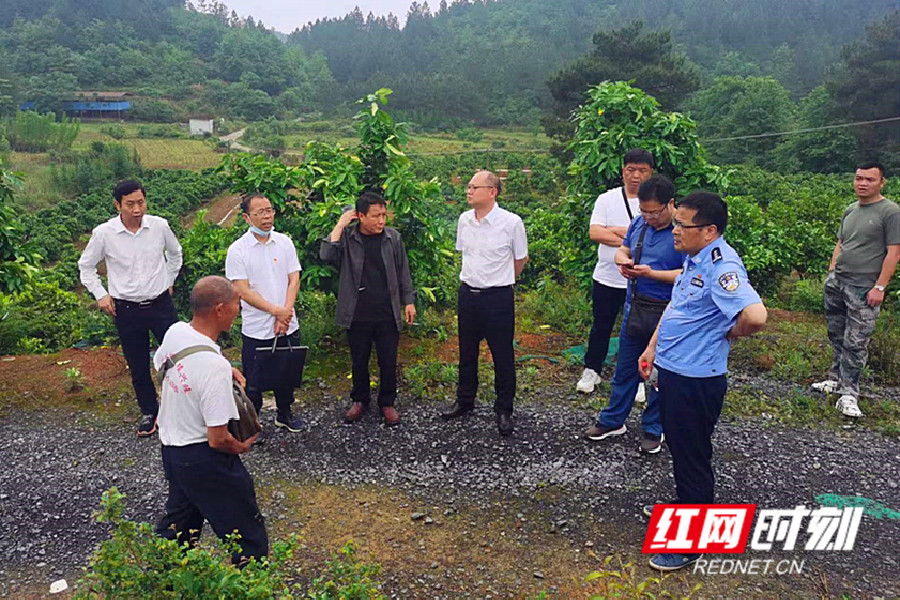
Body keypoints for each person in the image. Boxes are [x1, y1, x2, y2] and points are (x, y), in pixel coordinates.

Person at [637, 192, 767, 571]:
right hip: (674, 369)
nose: (674, 230)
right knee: (680, 446)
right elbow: (678, 306)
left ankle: (690, 542)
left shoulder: (721, 265)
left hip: (696, 379)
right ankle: (683, 509)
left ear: (709, 231)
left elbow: (755, 316)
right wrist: (651, 348)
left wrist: (731, 334)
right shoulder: (694, 258)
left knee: (692, 455)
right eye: (675, 222)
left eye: (682, 225)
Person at [153, 276, 267, 566]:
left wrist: (226, 367)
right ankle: (252, 583)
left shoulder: (176, 332)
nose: (238, 311)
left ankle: (161, 583)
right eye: (236, 305)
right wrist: (241, 447)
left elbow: (165, 364)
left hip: (172, 449)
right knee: (245, 530)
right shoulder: (213, 368)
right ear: (219, 309)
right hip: (203, 457)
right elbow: (218, 439)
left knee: (180, 526)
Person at [583, 175, 683, 454]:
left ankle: (654, 428)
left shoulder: (683, 231)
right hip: (635, 307)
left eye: (654, 212)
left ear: (670, 204)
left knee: (659, 376)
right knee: (626, 368)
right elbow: (623, 249)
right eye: (644, 211)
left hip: (668, 313)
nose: (649, 217)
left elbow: (690, 275)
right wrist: (623, 261)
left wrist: (654, 274)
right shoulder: (639, 224)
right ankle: (614, 420)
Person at [78, 179, 182, 437]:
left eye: (141, 202)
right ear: (118, 205)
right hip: (126, 309)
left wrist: (168, 281)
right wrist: (101, 295)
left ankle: (182, 408)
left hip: (161, 305)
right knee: (137, 364)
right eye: (130, 204)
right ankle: (150, 412)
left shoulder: (159, 226)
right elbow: (86, 266)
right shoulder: (104, 233)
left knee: (176, 357)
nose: (137, 209)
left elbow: (176, 254)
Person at [441, 170, 528, 437]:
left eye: (474, 187)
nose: (468, 191)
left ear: (492, 192)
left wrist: (501, 281)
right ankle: (465, 401)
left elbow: (520, 260)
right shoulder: (464, 220)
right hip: (468, 294)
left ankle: (504, 409)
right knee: (466, 352)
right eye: (468, 186)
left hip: (498, 298)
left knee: (502, 355)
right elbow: (465, 255)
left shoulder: (511, 222)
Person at [320, 192, 417, 426]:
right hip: (357, 312)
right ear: (360, 216)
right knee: (359, 359)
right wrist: (340, 224)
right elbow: (326, 255)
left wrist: (409, 300)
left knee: (388, 360)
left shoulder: (392, 238)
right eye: (375, 216)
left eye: (384, 215)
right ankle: (360, 400)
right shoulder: (348, 238)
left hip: (387, 311)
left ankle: (387, 403)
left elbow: (403, 270)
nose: (381, 221)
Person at [812, 162, 899, 417]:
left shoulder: (890, 212)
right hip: (838, 282)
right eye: (859, 178)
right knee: (837, 334)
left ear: (882, 182)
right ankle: (835, 379)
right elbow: (842, 241)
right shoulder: (851, 210)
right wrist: (832, 269)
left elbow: (894, 252)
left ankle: (849, 394)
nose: (862, 183)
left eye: (870, 180)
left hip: (864, 287)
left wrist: (880, 286)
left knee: (856, 342)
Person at [577, 149, 655, 394]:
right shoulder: (607, 199)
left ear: (650, 173)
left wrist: (615, 230)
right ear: (622, 171)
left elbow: (653, 237)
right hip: (607, 277)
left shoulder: (655, 203)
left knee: (640, 330)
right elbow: (594, 232)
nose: (635, 175)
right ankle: (592, 370)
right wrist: (631, 235)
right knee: (601, 325)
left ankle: (640, 377)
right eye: (631, 169)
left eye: (642, 170)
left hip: (641, 280)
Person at [225, 193, 305, 432]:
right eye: (260, 212)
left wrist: (286, 313)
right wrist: (276, 312)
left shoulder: (284, 242)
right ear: (247, 218)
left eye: (269, 210)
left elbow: (294, 279)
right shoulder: (238, 250)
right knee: (254, 382)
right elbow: (242, 290)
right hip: (257, 327)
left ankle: (284, 413)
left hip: (288, 323)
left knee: (287, 374)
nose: (267, 216)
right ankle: (253, 423)